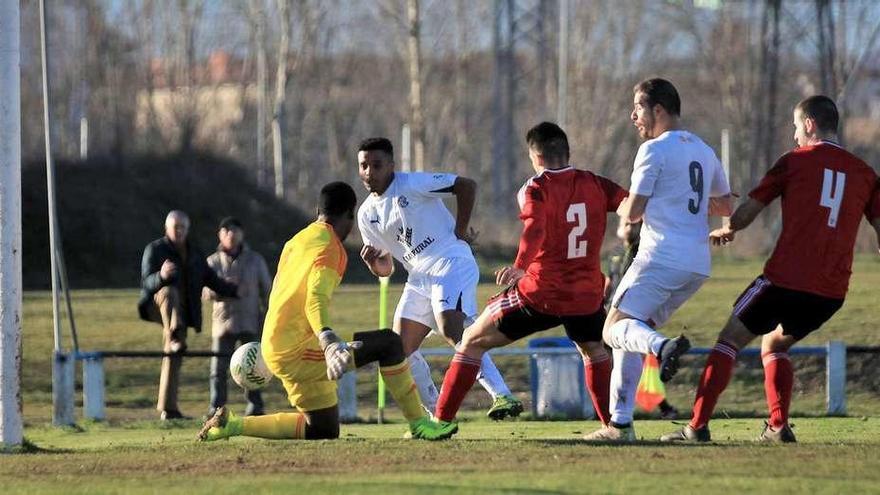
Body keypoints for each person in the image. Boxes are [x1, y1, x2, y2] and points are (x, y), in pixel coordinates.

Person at [661, 95, 880, 443]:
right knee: (774, 346)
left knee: (728, 341)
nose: (794, 136)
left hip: (784, 280)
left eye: (796, 127)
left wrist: (728, 229)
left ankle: (697, 427)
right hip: (830, 292)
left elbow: (749, 210)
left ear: (809, 124)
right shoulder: (866, 174)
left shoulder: (794, 161)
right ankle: (778, 427)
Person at [198, 182, 456, 441]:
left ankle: (233, 425)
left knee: (322, 428)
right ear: (349, 216)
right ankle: (420, 424)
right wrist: (328, 341)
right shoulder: (331, 247)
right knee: (388, 343)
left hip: (278, 342)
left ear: (317, 210)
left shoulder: (297, 240)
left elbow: (281, 289)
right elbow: (315, 297)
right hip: (296, 347)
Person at [430, 122, 627, 433]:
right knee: (594, 350)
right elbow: (631, 204)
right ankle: (615, 426)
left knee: (470, 342)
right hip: (586, 295)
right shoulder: (596, 183)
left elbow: (535, 226)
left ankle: (440, 422)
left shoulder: (535, 188)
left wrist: (521, 265)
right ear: (568, 152)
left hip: (540, 293)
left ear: (534, 157)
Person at [584, 78, 733, 441]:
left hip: (660, 256)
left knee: (611, 329)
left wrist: (613, 204)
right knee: (629, 330)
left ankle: (662, 347)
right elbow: (726, 205)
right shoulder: (705, 149)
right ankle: (619, 424)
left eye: (638, 108)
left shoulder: (653, 150)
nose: (633, 115)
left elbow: (633, 212)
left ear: (659, 110)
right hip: (696, 264)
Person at [356, 137, 523, 420]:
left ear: (392, 166)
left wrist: (460, 230)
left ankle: (502, 395)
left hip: (450, 260)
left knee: (450, 326)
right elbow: (386, 270)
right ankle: (438, 416)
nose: (370, 172)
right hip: (419, 276)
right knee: (400, 350)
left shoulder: (411, 184)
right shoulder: (366, 215)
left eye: (377, 165)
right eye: (364, 166)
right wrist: (374, 264)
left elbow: (466, 185)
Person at [138, 210, 238, 420]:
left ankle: (169, 409)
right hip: (158, 307)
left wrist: (232, 290)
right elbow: (146, 283)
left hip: (182, 315)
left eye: (183, 227)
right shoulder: (155, 250)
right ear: (167, 228)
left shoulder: (194, 252)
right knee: (169, 292)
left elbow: (210, 278)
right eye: (176, 227)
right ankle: (174, 333)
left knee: (173, 356)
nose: (180, 231)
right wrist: (161, 276)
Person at [604, 218, 679, 420]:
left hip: (633, 308)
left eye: (634, 225)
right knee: (613, 362)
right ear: (620, 227)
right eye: (626, 224)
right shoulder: (615, 254)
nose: (629, 228)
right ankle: (611, 411)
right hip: (613, 309)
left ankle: (659, 407)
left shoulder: (643, 250)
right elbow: (609, 281)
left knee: (641, 362)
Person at [204, 217, 272, 417]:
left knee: (255, 367)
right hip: (222, 323)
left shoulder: (255, 260)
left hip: (250, 321)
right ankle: (216, 408)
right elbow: (205, 291)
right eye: (226, 231)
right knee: (218, 369)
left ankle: (255, 406)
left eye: (235, 231)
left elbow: (267, 290)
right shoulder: (212, 262)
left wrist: (268, 317)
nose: (231, 235)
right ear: (220, 235)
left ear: (242, 234)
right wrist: (223, 288)